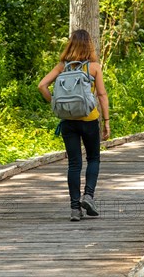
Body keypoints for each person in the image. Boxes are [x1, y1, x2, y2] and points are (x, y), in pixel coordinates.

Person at [38, 29, 110, 221]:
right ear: (89, 45)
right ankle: (88, 196)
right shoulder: (94, 67)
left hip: (68, 122)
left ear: (70, 44)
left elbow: (41, 86)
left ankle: (74, 210)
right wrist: (107, 122)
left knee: (74, 164)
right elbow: (102, 95)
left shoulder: (62, 67)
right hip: (89, 120)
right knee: (93, 158)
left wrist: (54, 102)